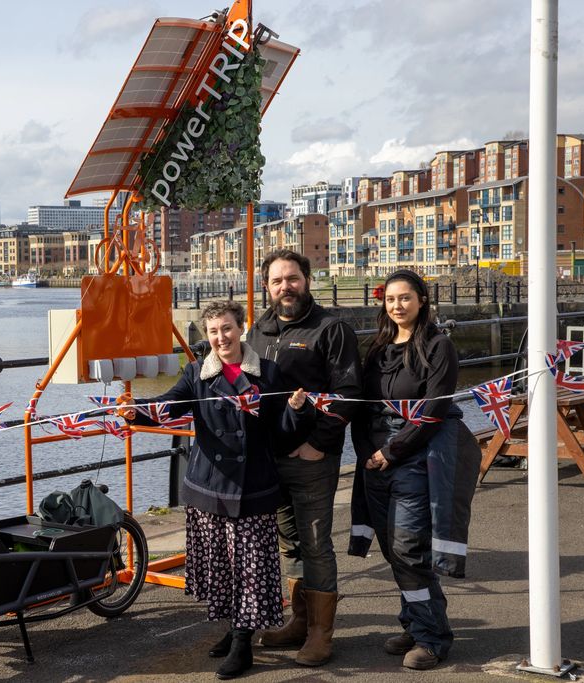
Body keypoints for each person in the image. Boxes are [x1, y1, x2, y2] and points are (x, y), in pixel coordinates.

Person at [122, 300, 308, 680]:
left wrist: (297, 409)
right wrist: (134, 410)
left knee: (251, 569)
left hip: (253, 487)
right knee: (221, 567)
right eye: (213, 331)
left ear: (241, 327)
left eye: (227, 328)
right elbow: (168, 406)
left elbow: (284, 433)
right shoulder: (196, 374)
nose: (221, 337)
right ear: (206, 336)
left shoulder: (269, 373)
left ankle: (243, 643)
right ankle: (232, 629)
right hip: (208, 487)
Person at [349, 269, 480, 670]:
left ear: (422, 300)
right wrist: (368, 453)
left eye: (405, 298)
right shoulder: (376, 350)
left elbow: (434, 408)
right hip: (375, 459)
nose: (397, 306)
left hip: (415, 459)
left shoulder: (438, 347)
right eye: (390, 299)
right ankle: (416, 620)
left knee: (408, 549)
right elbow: (361, 406)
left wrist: (392, 451)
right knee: (393, 549)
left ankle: (433, 638)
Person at [248, 249, 362, 667]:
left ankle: (320, 634)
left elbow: (349, 394)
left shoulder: (331, 330)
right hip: (270, 456)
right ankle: (298, 622)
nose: (285, 287)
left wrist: (320, 443)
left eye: (292, 278)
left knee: (315, 544)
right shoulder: (259, 329)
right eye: (277, 281)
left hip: (312, 457)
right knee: (288, 542)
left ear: (307, 279)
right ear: (267, 286)